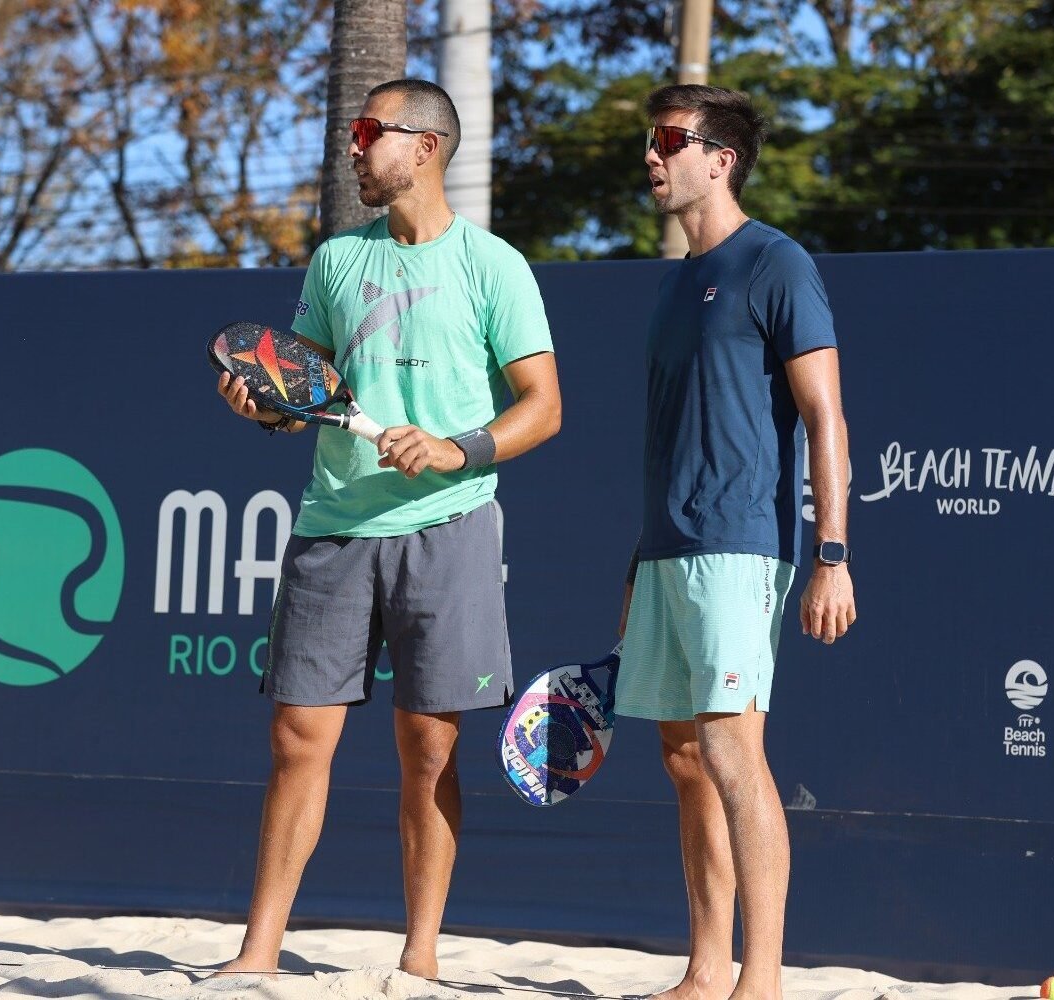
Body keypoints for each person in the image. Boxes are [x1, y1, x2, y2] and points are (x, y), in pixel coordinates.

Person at [213, 78, 562, 980]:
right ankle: (258, 950)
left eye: (369, 131)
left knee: (430, 746)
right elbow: (304, 396)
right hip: (334, 526)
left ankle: (421, 957)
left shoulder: (495, 267)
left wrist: (459, 448)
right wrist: (264, 409)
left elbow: (543, 408)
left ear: (427, 147)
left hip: (447, 524)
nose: (353, 147)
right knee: (298, 739)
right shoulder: (335, 261)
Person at [617, 84, 857, 1000]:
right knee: (683, 761)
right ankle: (706, 970)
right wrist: (639, 564)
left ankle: (762, 980)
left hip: (740, 545)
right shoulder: (676, 284)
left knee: (730, 751)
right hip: (668, 549)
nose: (652, 155)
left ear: (719, 160)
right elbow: (667, 440)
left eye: (669, 141)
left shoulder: (777, 263)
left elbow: (825, 416)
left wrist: (831, 556)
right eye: (651, 139)